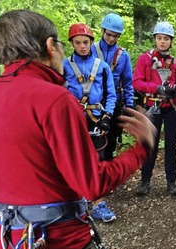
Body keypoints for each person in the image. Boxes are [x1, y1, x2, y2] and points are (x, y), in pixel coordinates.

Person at [0, 9, 155, 249]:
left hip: (10, 248)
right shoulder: (55, 100)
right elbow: (92, 184)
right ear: (51, 47)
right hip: (62, 248)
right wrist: (142, 150)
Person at [63, 23, 119, 223]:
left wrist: (107, 117)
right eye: (77, 43)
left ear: (91, 42)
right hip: (74, 117)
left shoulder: (102, 67)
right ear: (72, 44)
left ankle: (99, 204)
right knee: (74, 159)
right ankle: (77, 202)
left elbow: (111, 94)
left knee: (99, 160)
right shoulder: (64, 66)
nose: (82, 46)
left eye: (85, 42)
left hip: (96, 117)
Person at [133, 21, 176, 196]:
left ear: (171, 41)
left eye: (166, 39)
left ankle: (172, 182)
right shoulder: (145, 59)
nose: (163, 42)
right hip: (152, 105)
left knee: (171, 145)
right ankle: (145, 181)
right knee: (150, 145)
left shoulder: (175, 63)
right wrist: (156, 88)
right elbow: (137, 82)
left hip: (170, 108)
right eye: (160, 38)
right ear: (155, 39)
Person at [92, 13, 135, 161]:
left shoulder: (123, 56)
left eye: (115, 36)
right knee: (93, 139)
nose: (111, 39)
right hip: (94, 101)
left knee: (110, 141)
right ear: (102, 31)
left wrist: (129, 106)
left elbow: (128, 82)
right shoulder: (91, 50)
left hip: (115, 102)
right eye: (109, 34)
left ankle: (108, 175)